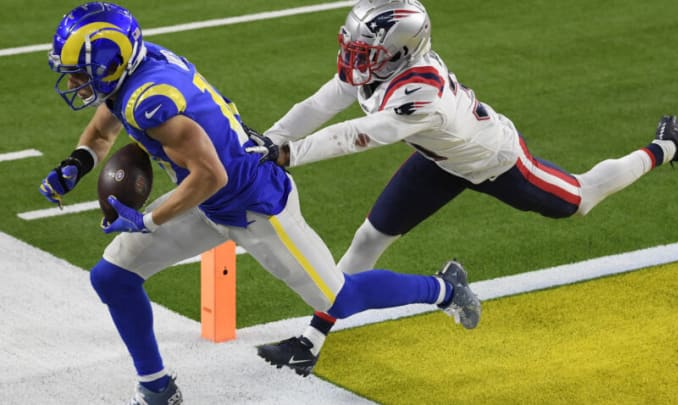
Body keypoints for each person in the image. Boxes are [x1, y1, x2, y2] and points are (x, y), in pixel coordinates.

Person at [38, 3, 481, 404]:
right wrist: (76, 165)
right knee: (112, 278)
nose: (74, 82)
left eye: (80, 72)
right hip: (207, 198)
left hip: (254, 203)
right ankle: (156, 388)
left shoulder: (150, 99)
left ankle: (445, 289)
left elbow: (213, 175)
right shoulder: (136, 70)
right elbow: (102, 131)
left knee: (338, 299)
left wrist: (149, 220)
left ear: (113, 62)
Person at [253, 0, 678, 377]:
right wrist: (272, 138)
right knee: (369, 238)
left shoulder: (418, 92)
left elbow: (355, 135)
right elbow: (319, 103)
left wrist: (288, 154)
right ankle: (310, 341)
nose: (355, 57)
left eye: (366, 49)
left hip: (495, 161)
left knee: (579, 200)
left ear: (400, 51)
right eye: (354, 45)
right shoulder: (381, 70)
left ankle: (666, 146)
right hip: (440, 159)